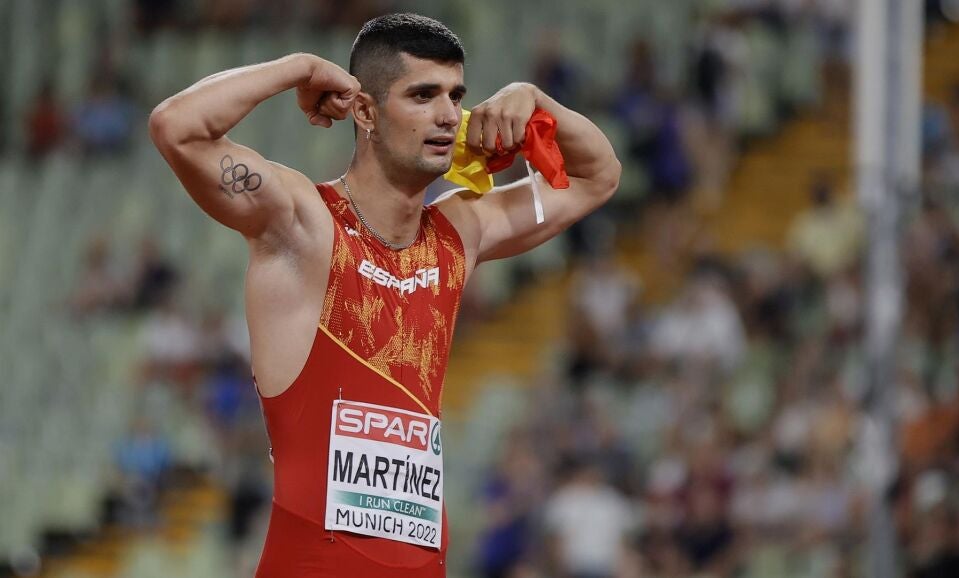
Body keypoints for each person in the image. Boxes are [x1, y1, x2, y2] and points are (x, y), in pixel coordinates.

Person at [148, 12, 620, 578]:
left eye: (455, 96)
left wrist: (535, 101)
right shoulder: (301, 223)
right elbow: (177, 126)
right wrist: (298, 67)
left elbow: (597, 176)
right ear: (366, 112)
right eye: (423, 95)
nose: (448, 115)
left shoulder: (461, 231)